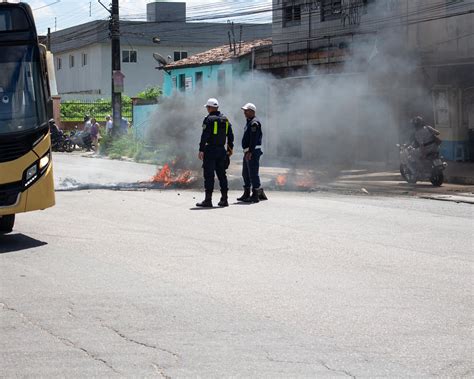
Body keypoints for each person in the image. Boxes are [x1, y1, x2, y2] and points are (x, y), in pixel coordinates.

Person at [196, 98, 234, 208]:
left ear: (211, 107)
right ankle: (224, 199)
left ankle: (208, 200)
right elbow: (231, 136)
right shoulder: (225, 119)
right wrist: (229, 151)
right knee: (222, 175)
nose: (207, 109)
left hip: (210, 151)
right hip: (222, 151)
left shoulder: (208, 119)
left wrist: (201, 149)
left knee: (209, 175)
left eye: (207, 107)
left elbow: (204, 136)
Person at [237, 103, 267, 203]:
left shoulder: (254, 123)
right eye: (244, 111)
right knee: (245, 173)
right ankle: (246, 193)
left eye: (246, 110)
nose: (244, 112)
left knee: (253, 173)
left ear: (252, 111)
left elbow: (253, 139)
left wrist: (250, 151)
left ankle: (255, 195)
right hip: (248, 151)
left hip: (252, 152)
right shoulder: (249, 122)